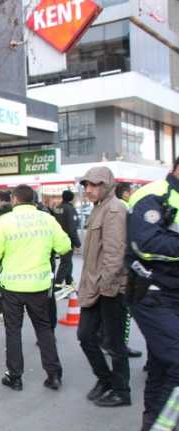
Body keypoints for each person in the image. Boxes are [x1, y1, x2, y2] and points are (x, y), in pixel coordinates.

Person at [0, 184, 70, 392]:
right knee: (44, 329)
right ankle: (53, 375)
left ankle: (15, 377)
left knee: (13, 331)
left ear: (14, 199)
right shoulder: (47, 219)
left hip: (12, 287)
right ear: (33, 200)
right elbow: (65, 246)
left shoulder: (5, 221)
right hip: (39, 286)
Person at [126, 157, 179, 430]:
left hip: (173, 293)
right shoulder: (153, 195)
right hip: (152, 293)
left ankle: (151, 422)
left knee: (161, 364)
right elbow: (144, 243)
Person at [76, 167, 131, 408]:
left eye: (94, 185)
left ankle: (121, 390)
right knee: (85, 336)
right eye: (86, 185)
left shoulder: (115, 209)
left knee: (114, 343)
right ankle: (105, 380)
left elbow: (114, 254)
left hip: (110, 288)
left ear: (107, 184)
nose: (88, 189)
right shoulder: (99, 207)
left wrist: (107, 286)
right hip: (95, 287)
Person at [111, 182, 143, 359]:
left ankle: (109, 340)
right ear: (124, 194)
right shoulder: (125, 209)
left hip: (114, 268)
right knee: (124, 311)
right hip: (124, 269)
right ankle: (121, 345)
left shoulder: (111, 208)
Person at [52, 190, 81, 288]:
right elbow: (72, 228)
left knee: (67, 261)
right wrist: (78, 243)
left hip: (58, 238)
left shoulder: (58, 208)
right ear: (71, 198)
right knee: (65, 262)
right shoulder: (69, 209)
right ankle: (57, 285)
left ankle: (69, 282)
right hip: (67, 240)